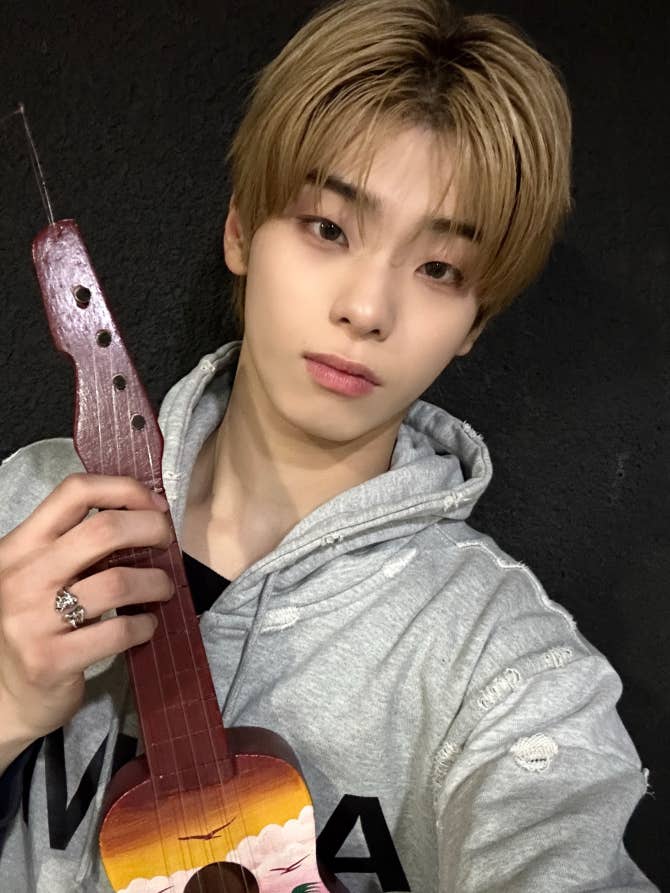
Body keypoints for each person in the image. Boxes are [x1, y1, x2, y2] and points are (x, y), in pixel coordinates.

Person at [0, 0, 657, 890]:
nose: (368, 308)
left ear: (475, 322)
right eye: (329, 228)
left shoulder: (502, 666)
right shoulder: (27, 508)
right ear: (242, 231)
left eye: (439, 269)